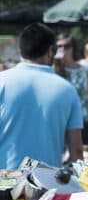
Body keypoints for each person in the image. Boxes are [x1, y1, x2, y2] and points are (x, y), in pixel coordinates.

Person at [0, 23, 83, 168]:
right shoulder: (67, 90)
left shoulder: (2, 81)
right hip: (47, 183)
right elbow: (76, 152)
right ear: (51, 51)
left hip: (4, 181)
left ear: (20, 51)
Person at [54, 34, 88, 144]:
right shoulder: (53, 70)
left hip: (83, 119)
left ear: (72, 48)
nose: (62, 49)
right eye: (59, 46)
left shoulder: (84, 69)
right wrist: (57, 64)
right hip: (62, 120)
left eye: (66, 46)